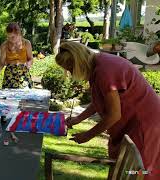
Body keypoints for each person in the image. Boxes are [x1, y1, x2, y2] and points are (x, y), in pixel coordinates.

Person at [56, 42, 160, 179]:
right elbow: (100, 100)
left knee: (140, 172)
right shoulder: (98, 64)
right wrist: (78, 119)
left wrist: (87, 135)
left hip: (144, 124)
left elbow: (114, 115)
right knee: (123, 170)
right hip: (134, 122)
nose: (70, 73)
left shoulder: (104, 70)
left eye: (70, 69)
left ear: (78, 61)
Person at [0, 22, 33, 88]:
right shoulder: (4, 45)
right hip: (9, 74)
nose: (10, 39)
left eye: (12, 37)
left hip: (23, 73)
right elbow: (2, 63)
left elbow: (30, 58)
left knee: (25, 97)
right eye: (8, 37)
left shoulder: (27, 43)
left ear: (18, 34)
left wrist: (28, 64)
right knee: (8, 97)